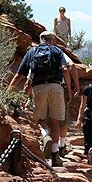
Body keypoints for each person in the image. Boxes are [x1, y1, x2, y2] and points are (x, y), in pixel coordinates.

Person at [10, 31, 71, 167]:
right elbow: (65, 69)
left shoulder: (32, 51)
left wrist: (8, 92)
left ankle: (45, 134)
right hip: (56, 87)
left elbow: (20, 75)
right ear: (52, 40)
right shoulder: (57, 50)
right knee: (55, 121)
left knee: (40, 119)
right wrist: (69, 89)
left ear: (40, 39)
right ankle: (55, 155)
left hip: (38, 87)